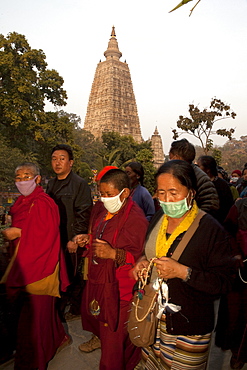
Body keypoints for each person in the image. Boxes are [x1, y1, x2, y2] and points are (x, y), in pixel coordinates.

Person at [133, 160, 233, 370]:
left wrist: (184, 272)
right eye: (161, 193)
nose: (167, 200)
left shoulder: (210, 230)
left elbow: (224, 282)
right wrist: (142, 263)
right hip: (153, 318)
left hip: (190, 325)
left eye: (174, 193)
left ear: (191, 192)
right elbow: (147, 251)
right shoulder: (158, 218)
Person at [0, 162, 70, 370]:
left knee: (35, 320)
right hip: (24, 261)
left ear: (37, 179)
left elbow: (47, 235)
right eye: (19, 177)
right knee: (41, 315)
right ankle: (58, 339)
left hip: (42, 265)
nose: (22, 181)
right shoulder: (21, 203)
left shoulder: (44, 203)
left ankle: (33, 363)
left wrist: (20, 233)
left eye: (27, 176)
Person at [78, 169, 148, 369]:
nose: (104, 199)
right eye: (102, 194)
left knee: (111, 348)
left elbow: (141, 257)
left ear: (125, 193)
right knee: (113, 339)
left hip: (121, 292)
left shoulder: (135, 218)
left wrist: (114, 254)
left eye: (109, 194)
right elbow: (102, 238)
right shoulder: (106, 212)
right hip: (102, 284)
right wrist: (88, 241)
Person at [46, 144, 93, 320]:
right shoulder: (50, 184)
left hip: (71, 239)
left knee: (72, 274)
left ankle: (73, 307)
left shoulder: (79, 184)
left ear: (71, 162)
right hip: (54, 239)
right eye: (54, 158)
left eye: (62, 159)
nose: (57, 163)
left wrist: (76, 237)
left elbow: (84, 212)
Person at [215, 197, 247, 369]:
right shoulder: (240, 207)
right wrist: (236, 254)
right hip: (242, 272)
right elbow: (226, 232)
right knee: (238, 315)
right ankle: (238, 354)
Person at [168, 138, 219, 214]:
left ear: (176, 157)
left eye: (171, 157)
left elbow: (210, 206)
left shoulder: (200, 179)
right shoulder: (172, 175)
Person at [197, 155, 234, 224]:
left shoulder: (222, 185)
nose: (197, 168)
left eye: (199, 166)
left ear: (208, 169)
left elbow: (228, 207)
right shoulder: (197, 183)